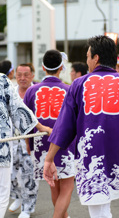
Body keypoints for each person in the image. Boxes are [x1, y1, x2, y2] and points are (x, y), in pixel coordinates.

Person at [43, 35, 119, 218]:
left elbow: (64, 126)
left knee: (99, 205)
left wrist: (49, 159)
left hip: (92, 155)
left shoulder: (78, 84)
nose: (87, 61)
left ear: (96, 58)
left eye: (88, 56)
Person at [24, 50, 75, 218]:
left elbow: (26, 122)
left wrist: (28, 145)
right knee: (67, 187)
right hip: (65, 143)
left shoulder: (32, 91)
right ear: (61, 67)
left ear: (42, 68)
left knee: (54, 185)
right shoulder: (69, 89)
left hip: (40, 144)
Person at [0, 73, 51, 218]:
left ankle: (26, 208)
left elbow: (18, 108)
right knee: (2, 192)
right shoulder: (2, 80)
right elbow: (17, 108)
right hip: (4, 147)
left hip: (6, 146)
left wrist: (41, 128)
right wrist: (41, 128)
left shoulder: (3, 81)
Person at [9, 63, 39, 218]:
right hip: (11, 139)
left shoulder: (37, 92)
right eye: (19, 74)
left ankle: (27, 208)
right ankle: (18, 198)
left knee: (28, 175)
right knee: (12, 173)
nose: (22, 78)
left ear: (32, 75)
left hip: (31, 139)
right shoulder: (11, 91)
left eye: (26, 74)